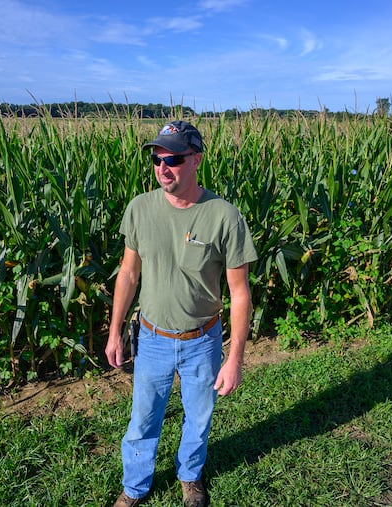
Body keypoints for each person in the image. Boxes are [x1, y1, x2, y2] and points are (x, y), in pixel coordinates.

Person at [105, 120, 258, 507]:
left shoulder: (224, 216)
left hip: (202, 339)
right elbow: (128, 273)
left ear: (196, 161)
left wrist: (235, 357)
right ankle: (134, 488)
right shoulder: (140, 209)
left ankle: (190, 476)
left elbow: (239, 294)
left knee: (199, 417)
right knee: (143, 420)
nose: (162, 168)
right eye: (157, 159)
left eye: (172, 158)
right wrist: (114, 330)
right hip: (152, 337)